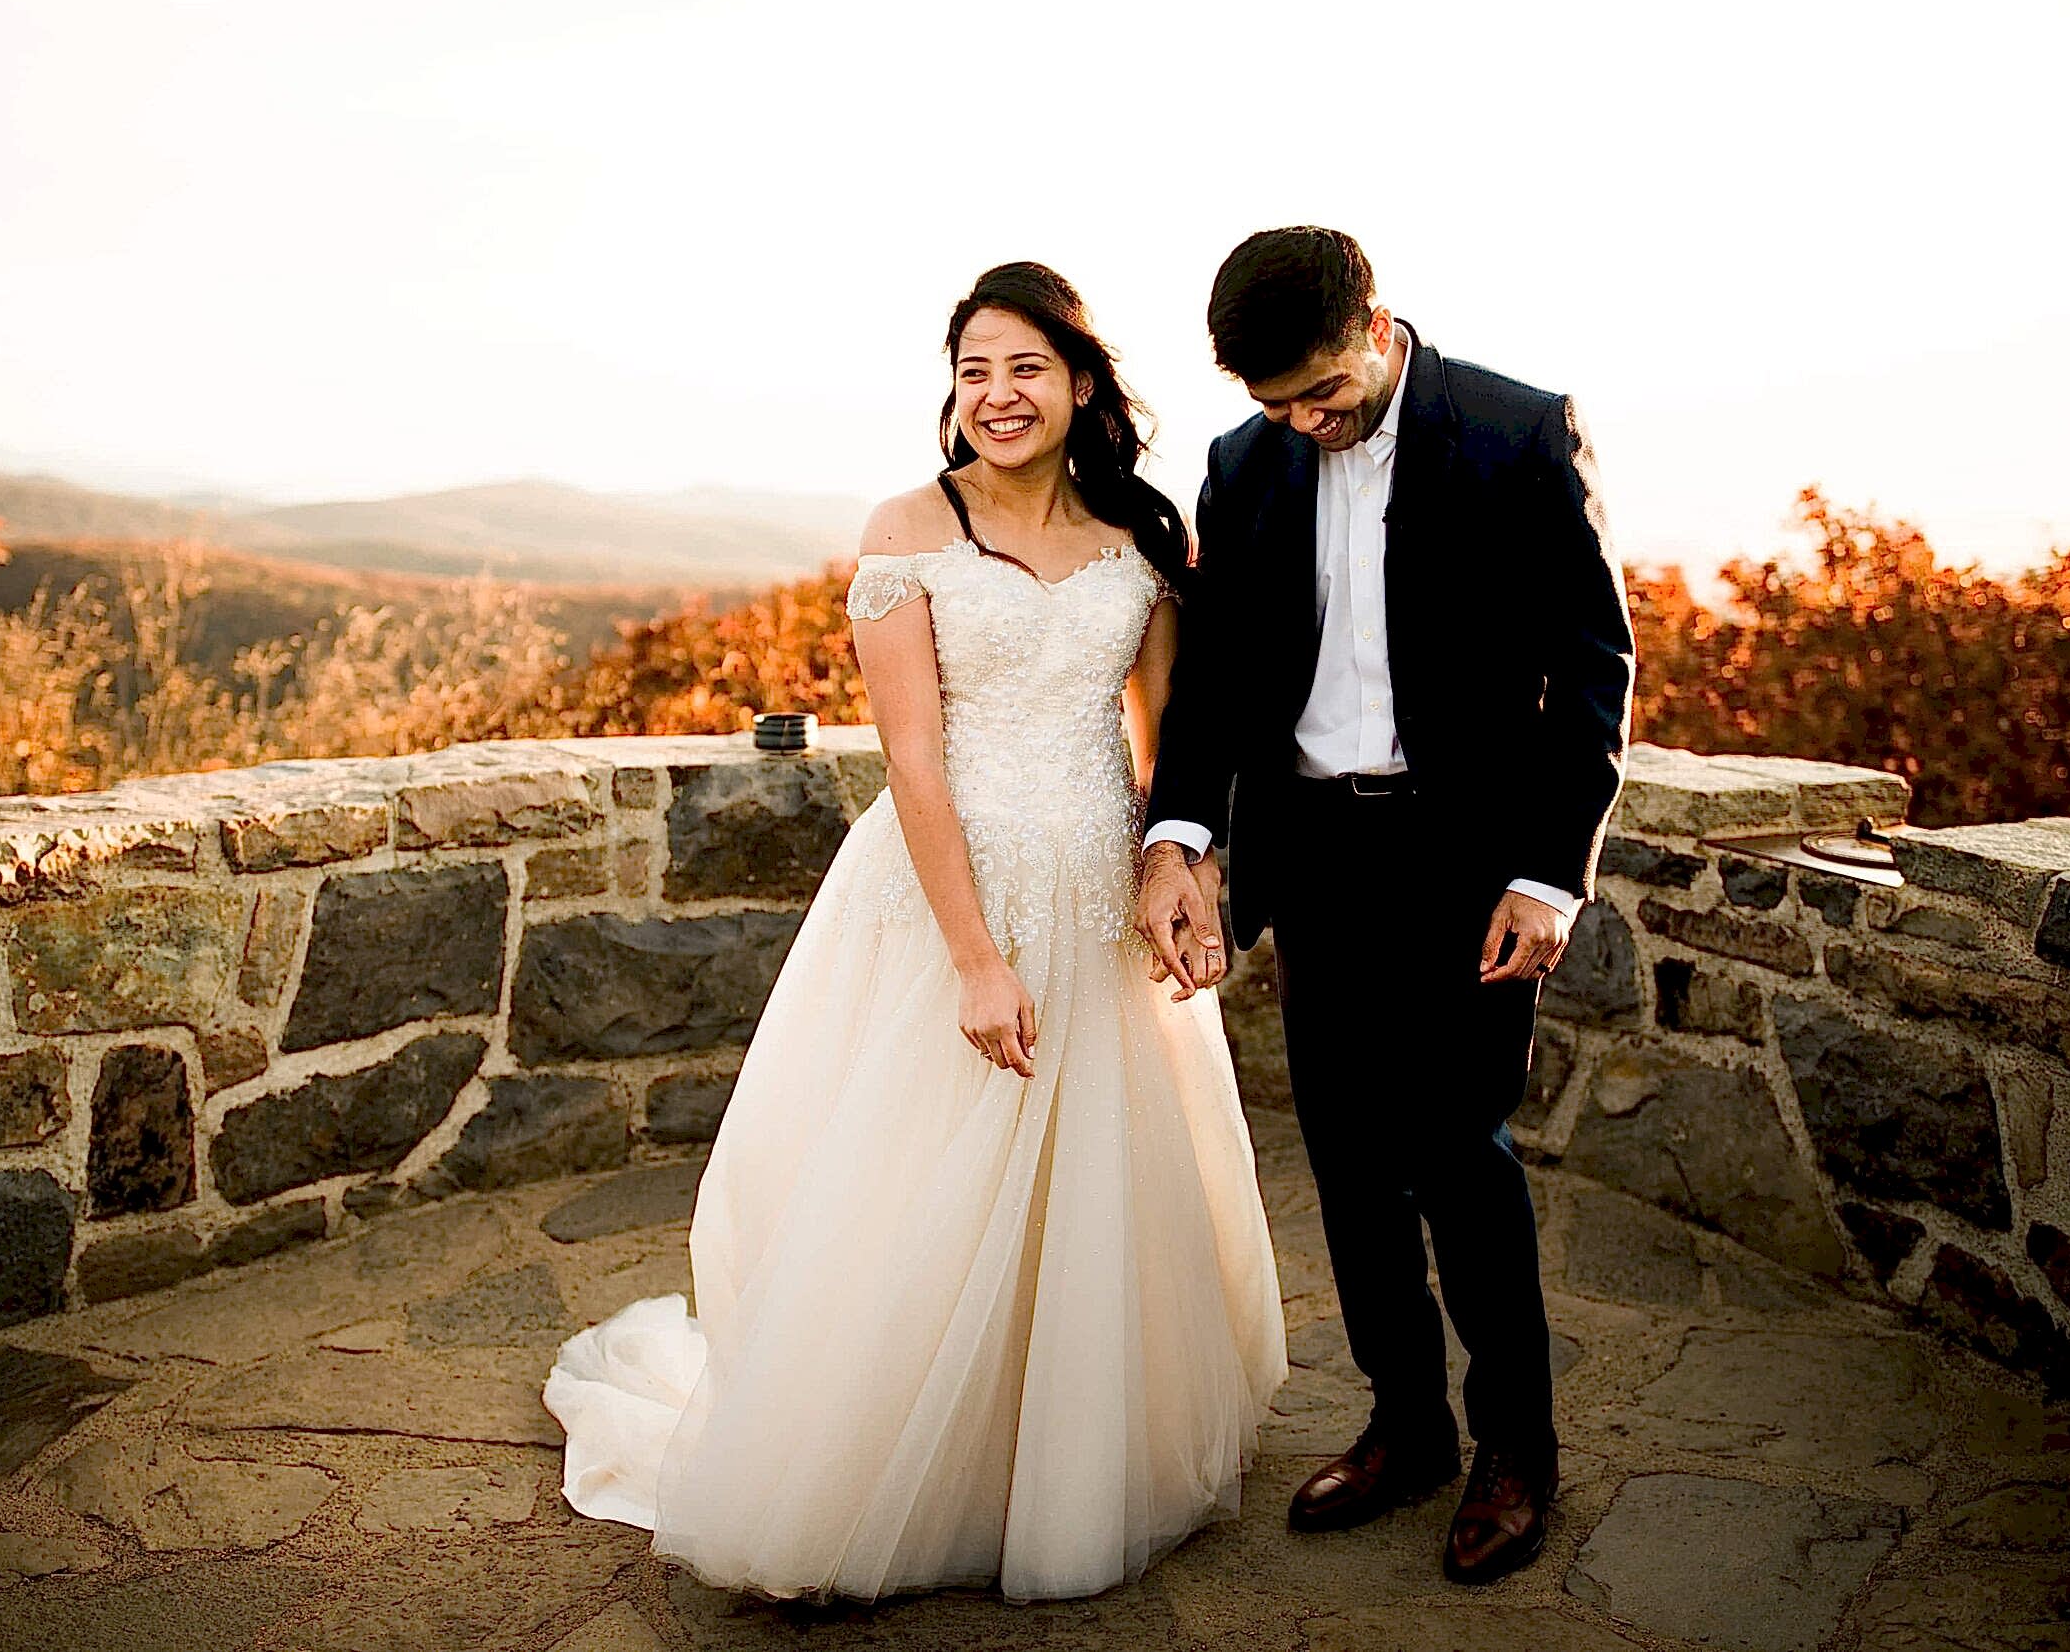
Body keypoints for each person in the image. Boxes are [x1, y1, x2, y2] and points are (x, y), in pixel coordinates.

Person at [542, 261, 1286, 1604]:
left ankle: (1039, 1455)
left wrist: (1182, 868)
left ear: (1082, 382)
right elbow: (917, 763)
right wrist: (975, 958)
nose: (998, 396)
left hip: (1097, 897)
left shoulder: (1141, 531)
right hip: (959, 896)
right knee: (926, 1185)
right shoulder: (908, 530)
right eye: (975, 371)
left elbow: (1166, 744)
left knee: (1090, 1186)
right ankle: (872, 1473)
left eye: (1027, 369)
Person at [1135, 227, 1634, 1585]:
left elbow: (1595, 666)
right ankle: (1405, 1423)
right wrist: (1179, 833)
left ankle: (1514, 1448)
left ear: (1377, 322)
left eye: (1319, 395)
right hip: (1317, 864)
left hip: (1470, 868)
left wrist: (1551, 872)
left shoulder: (1518, 432)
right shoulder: (1245, 466)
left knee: (1462, 1159)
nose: (1304, 423)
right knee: (1350, 1165)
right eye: (1275, 405)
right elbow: (1220, 676)